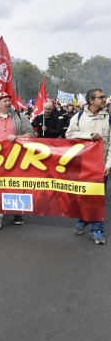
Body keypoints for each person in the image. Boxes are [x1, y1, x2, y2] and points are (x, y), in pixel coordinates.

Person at [0, 92, 35, 232]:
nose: (8, 103)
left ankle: (17, 213)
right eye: (5, 101)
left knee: (15, 186)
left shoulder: (19, 116)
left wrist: (18, 137)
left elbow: (32, 133)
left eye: (8, 100)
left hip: (16, 159)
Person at [66, 88, 111, 245]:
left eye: (104, 97)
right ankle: (83, 220)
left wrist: (108, 165)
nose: (104, 99)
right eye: (101, 97)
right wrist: (89, 135)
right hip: (82, 164)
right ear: (92, 100)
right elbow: (69, 135)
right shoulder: (78, 117)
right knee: (83, 195)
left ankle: (97, 229)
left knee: (97, 198)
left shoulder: (108, 118)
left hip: (101, 166)